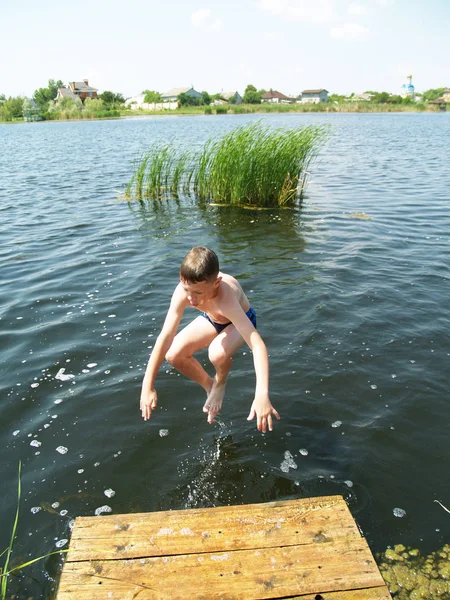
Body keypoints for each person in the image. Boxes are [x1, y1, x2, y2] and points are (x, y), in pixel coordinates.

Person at [140, 246, 280, 432]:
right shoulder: (185, 291)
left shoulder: (226, 297)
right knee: (173, 355)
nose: (191, 298)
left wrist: (262, 394)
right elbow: (165, 336)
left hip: (240, 321)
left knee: (216, 354)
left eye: (198, 293)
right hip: (213, 318)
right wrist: (147, 385)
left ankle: (221, 382)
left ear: (216, 283)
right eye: (186, 289)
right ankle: (210, 386)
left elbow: (257, 345)